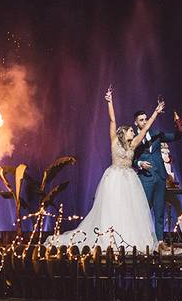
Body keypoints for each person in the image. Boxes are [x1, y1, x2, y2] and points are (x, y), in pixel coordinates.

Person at [45, 89, 164, 251]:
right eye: (130, 130)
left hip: (129, 179)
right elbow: (112, 120)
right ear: (123, 133)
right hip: (114, 177)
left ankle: (128, 237)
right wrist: (109, 101)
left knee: (129, 210)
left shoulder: (134, 144)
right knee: (112, 208)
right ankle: (109, 237)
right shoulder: (114, 141)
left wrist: (156, 112)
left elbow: (145, 128)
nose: (133, 131)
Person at [133, 106, 182, 244]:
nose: (144, 122)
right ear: (136, 122)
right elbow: (129, 158)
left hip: (160, 177)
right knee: (144, 210)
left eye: (146, 119)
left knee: (159, 212)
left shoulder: (156, 133)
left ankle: (160, 242)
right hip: (146, 178)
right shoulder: (133, 138)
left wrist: (180, 129)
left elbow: (174, 137)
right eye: (141, 120)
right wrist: (139, 163)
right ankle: (142, 240)